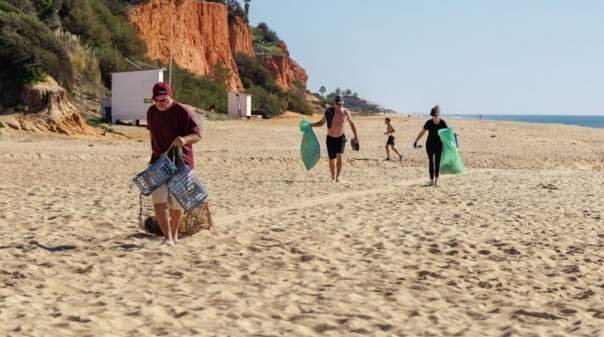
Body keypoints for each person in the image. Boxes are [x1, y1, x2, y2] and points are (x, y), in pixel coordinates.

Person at [147, 82, 201, 246]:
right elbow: (151, 134)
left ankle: (175, 233)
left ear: (170, 95)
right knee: (159, 200)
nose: (159, 103)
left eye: (163, 99)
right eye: (156, 99)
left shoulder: (182, 112)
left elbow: (197, 135)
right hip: (158, 163)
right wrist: (153, 156)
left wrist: (184, 140)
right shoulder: (151, 112)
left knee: (177, 203)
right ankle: (167, 237)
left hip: (180, 163)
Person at [310, 95, 358, 183]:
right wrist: (311, 125)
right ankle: (332, 177)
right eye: (337, 104)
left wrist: (356, 136)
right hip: (330, 138)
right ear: (334, 103)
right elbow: (321, 122)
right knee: (331, 159)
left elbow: (352, 124)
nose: (339, 106)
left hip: (341, 137)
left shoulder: (346, 113)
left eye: (341, 104)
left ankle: (337, 177)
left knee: (339, 155)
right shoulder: (329, 112)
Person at [413, 105, 448, 186]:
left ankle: (436, 181)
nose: (434, 117)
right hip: (430, 145)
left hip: (439, 145)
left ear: (439, 115)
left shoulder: (443, 123)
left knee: (437, 163)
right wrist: (416, 141)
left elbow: (447, 133)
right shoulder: (428, 123)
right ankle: (431, 181)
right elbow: (422, 132)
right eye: (433, 115)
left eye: (436, 115)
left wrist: (453, 139)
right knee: (431, 162)